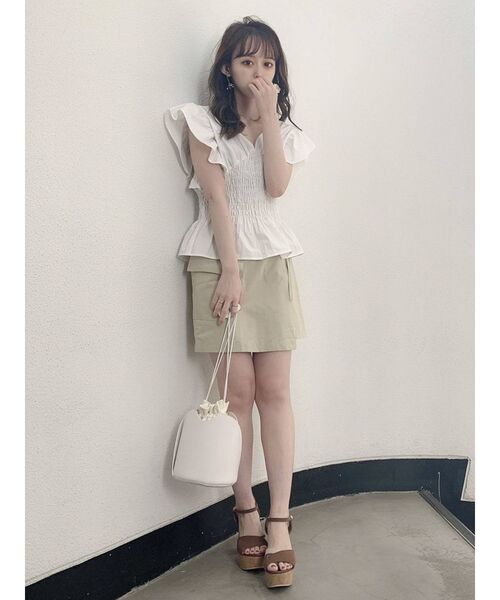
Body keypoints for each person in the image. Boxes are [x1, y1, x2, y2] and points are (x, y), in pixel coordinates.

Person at [163, 15, 315, 589]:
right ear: (226, 68)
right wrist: (229, 271)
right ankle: (245, 510)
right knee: (238, 396)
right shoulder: (203, 125)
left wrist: (269, 117)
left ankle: (279, 521)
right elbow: (218, 203)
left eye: (268, 63)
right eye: (247, 61)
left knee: (275, 393)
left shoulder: (286, 131)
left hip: (271, 261)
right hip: (217, 260)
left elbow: (275, 187)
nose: (258, 72)